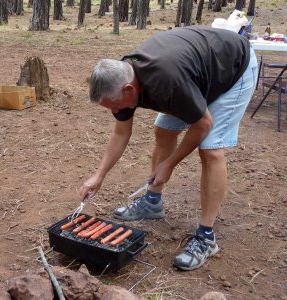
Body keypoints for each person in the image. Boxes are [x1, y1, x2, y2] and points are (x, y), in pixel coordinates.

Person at [79, 26, 258, 271]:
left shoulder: (167, 82)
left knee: (210, 149)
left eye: (117, 105)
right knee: (164, 129)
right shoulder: (122, 77)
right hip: (196, 74)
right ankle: (153, 201)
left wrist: (170, 164)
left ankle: (206, 237)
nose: (117, 111)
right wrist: (98, 176)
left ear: (129, 90)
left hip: (233, 69)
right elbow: (121, 132)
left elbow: (203, 124)